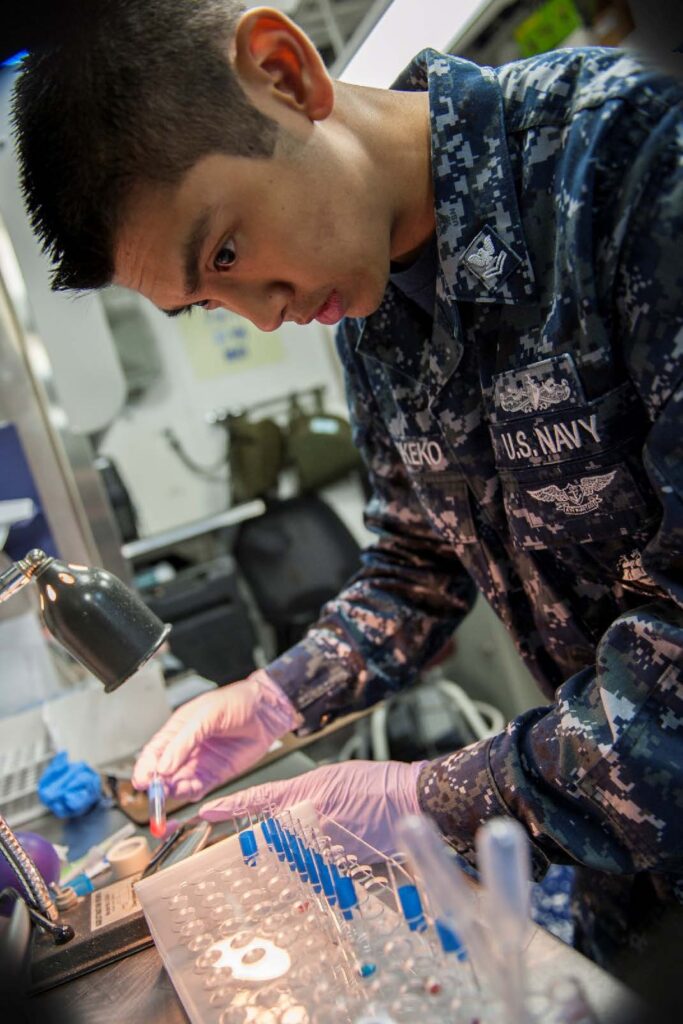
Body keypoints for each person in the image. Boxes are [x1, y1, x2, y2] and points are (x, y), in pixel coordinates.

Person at [10, 0, 682, 997]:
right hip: (622, 871)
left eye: (226, 253)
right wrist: (275, 697)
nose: (261, 315)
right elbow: (415, 565)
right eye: (208, 302)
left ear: (285, 72)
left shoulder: (631, 167)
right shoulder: (370, 327)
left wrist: (432, 794)